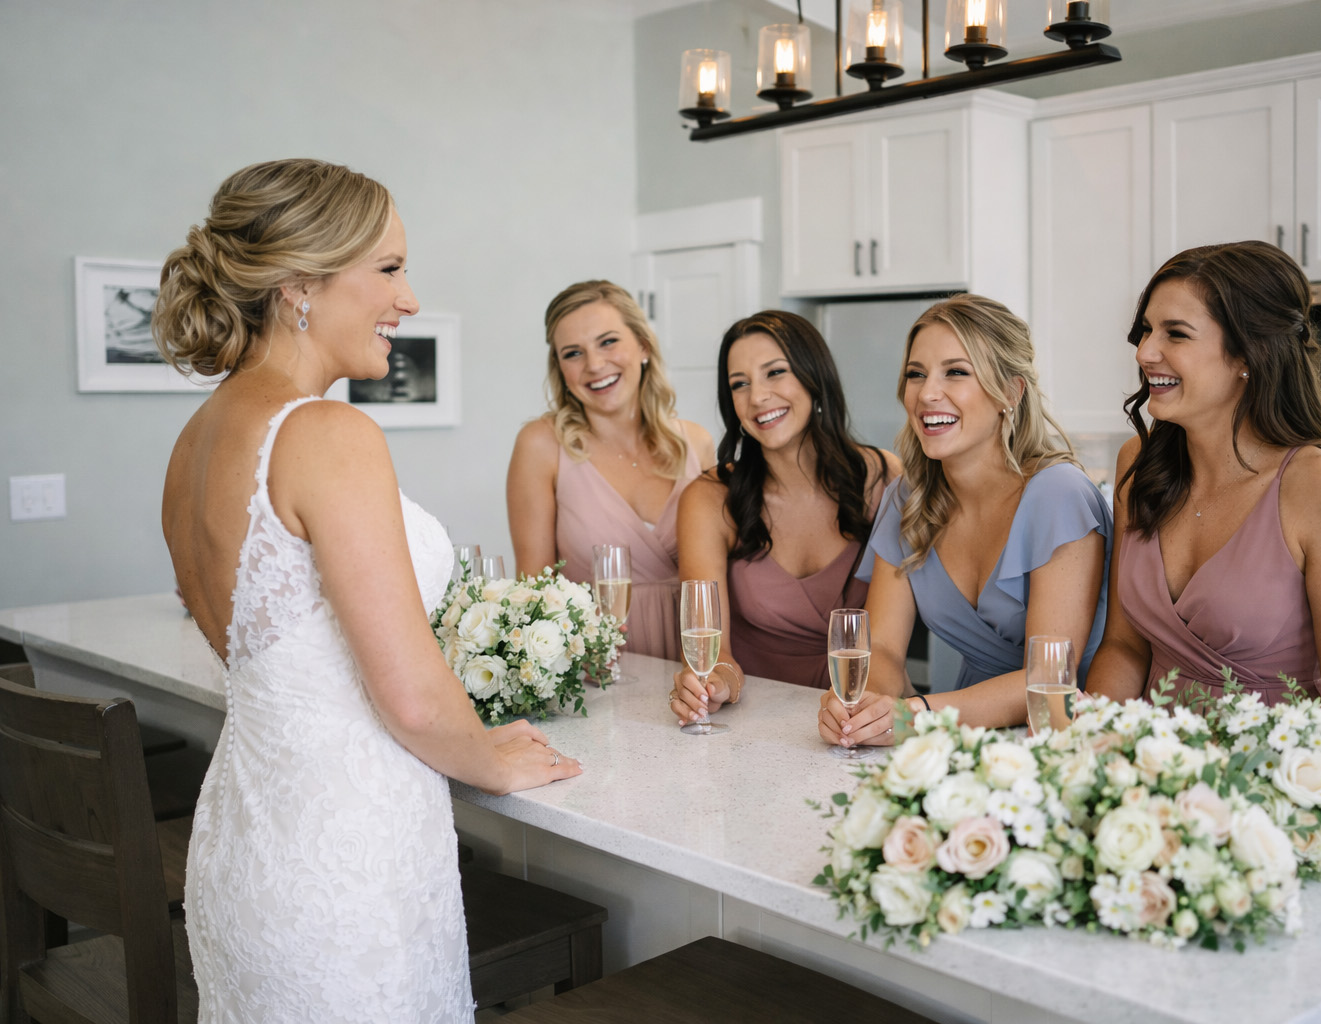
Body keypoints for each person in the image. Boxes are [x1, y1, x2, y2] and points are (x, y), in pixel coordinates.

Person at [155, 159, 579, 1021]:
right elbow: (412, 699)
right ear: (299, 283)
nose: (410, 299)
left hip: (246, 842)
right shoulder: (326, 432)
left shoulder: (195, 440)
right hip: (345, 858)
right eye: (388, 270)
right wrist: (492, 754)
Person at [1085, 241, 1321, 718]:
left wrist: (1249, 776)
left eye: (1176, 334)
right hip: (1152, 770)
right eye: (1146, 330)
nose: (1145, 351)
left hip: (1263, 773)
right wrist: (1094, 738)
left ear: (1249, 354)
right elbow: (1125, 648)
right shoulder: (1138, 462)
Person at [819, 295, 1112, 750]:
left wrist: (921, 714)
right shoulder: (909, 497)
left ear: (1010, 393)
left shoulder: (1058, 495)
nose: (927, 393)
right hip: (961, 734)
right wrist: (866, 705)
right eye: (916, 374)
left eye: (955, 372)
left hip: (1064, 741)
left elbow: (1050, 678)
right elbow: (886, 649)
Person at [670, 311, 899, 723]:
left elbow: (886, 646)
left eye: (775, 373)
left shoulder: (885, 481)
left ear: (815, 377)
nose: (757, 396)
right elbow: (714, 650)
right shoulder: (709, 499)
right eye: (739, 384)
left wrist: (860, 716)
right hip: (755, 721)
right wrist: (716, 682)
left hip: (861, 713)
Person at [506, 281, 714, 662]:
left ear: (644, 346)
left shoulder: (697, 445)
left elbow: (725, 581)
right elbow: (533, 596)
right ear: (561, 369)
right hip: (595, 675)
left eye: (608, 342)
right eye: (573, 353)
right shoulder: (541, 446)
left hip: (695, 670)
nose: (595, 365)